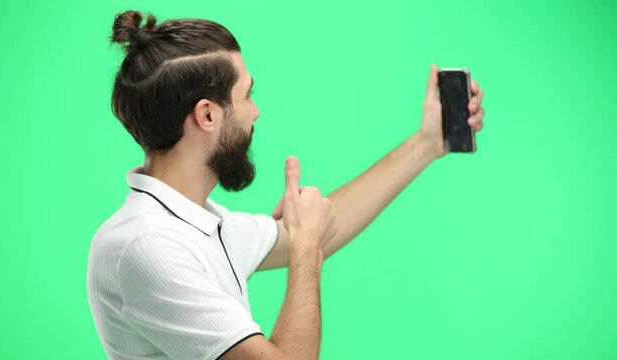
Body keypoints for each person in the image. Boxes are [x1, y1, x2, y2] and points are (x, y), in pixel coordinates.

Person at [86, 10, 485, 360]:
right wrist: (306, 250)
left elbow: (325, 225)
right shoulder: (148, 247)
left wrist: (427, 143)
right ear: (207, 115)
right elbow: (308, 243)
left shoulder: (199, 223)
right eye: (246, 94)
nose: (255, 112)